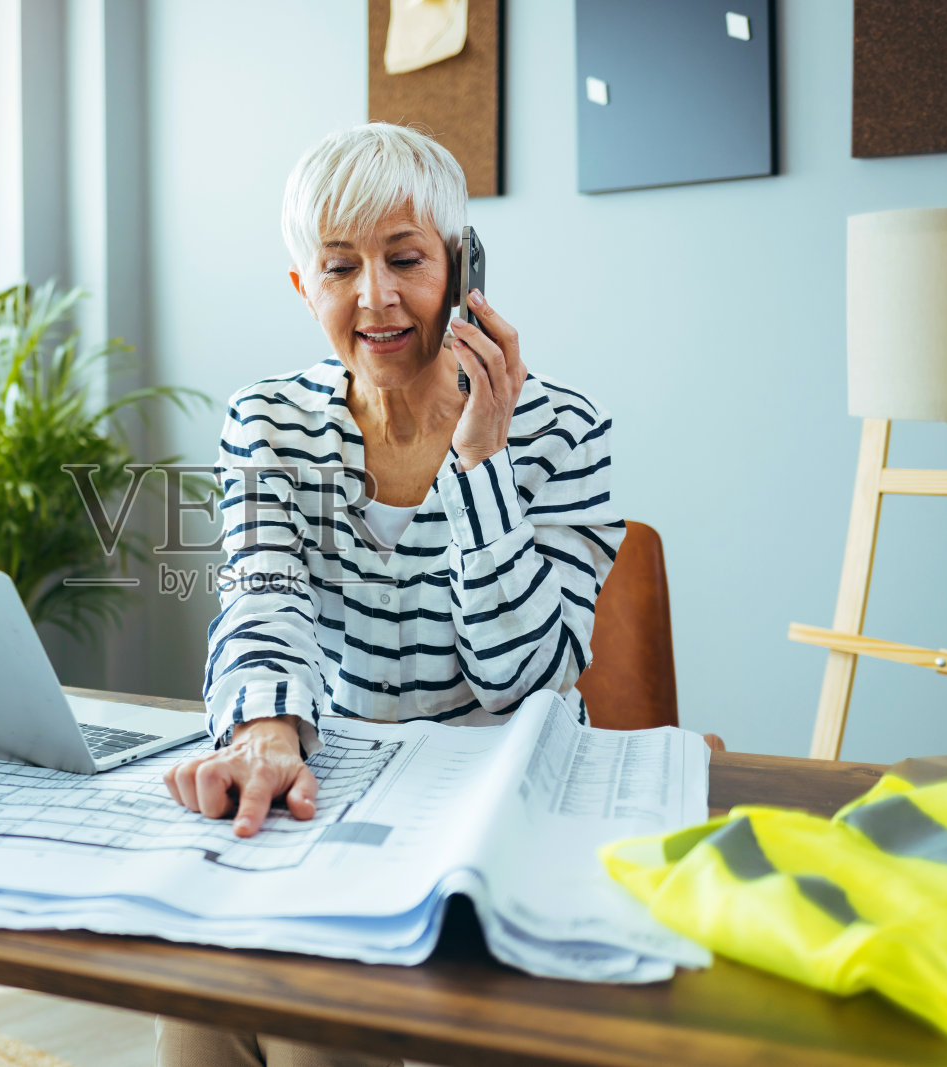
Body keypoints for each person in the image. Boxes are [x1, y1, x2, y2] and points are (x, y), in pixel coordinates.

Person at [155, 123, 624, 1067]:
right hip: (351, 787)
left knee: (315, 1012)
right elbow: (261, 602)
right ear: (305, 288)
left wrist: (480, 458)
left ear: (462, 269)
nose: (375, 296)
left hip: (501, 797)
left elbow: (519, 678)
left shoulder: (569, 432)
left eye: (406, 258)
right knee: (203, 986)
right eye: (339, 268)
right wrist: (267, 735)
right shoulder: (269, 423)